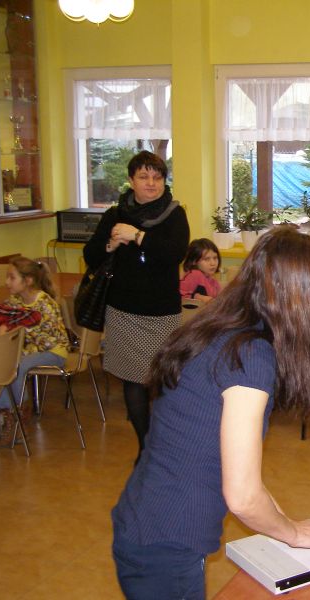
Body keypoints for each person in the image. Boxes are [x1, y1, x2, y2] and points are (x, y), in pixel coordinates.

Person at [111, 227, 310, 598]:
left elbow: (241, 475)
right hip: (166, 542)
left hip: (147, 522)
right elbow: (243, 497)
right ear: (296, 302)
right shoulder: (251, 355)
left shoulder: (227, 330)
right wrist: (293, 534)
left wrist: (287, 524)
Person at [83, 151, 189, 463]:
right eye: (144, 177)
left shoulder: (174, 214)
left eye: (157, 177)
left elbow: (175, 254)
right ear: (131, 181)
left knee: (164, 381)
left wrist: (138, 235)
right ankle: (145, 447)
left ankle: (166, 442)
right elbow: (91, 256)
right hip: (124, 310)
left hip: (162, 313)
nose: (151, 183)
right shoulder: (115, 214)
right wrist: (111, 244)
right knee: (133, 380)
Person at [0, 258, 69, 448]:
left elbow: (44, 342)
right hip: (29, 352)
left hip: (53, 352)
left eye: (12, 278)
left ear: (28, 280)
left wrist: (9, 330)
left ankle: (19, 419)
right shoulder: (15, 301)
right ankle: (12, 418)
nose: (7, 282)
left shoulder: (44, 304)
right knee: (1, 365)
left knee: (17, 366)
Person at [180, 238, 222, 303]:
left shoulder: (212, 280)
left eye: (215, 258)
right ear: (194, 261)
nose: (213, 263)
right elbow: (179, 295)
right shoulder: (195, 274)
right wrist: (198, 297)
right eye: (206, 259)